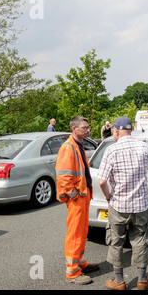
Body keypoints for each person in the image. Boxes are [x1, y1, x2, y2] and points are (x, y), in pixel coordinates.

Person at [98, 116, 148, 290]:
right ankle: (142, 280)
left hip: (119, 205)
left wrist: (108, 198)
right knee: (141, 240)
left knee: (116, 241)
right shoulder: (144, 147)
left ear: (115, 130)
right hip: (141, 204)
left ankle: (119, 282)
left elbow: (101, 181)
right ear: (130, 130)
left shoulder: (111, 150)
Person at [55, 116, 99, 285]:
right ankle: (73, 272)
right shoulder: (68, 147)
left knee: (81, 232)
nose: (87, 130)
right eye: (84, 128)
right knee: (75, 234)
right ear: (74, 128)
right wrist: (73, 195)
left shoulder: (77, 145)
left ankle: (80, 263)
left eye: (88, 127)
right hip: (77, 197)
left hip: (83, 195)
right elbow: (63, 176)